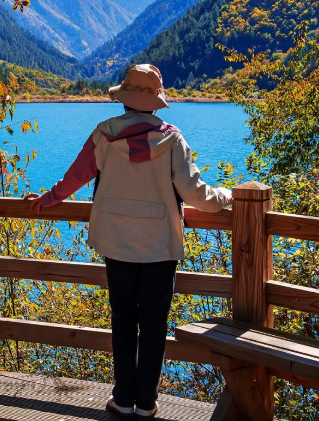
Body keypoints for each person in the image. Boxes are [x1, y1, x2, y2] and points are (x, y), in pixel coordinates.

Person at [25, 64, 232, 418]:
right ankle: (146, 403)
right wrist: (229, 196)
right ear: (156, 101)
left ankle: (122, 399)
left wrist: (48, 198)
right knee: (154, 325)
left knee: (122, 320)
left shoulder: (104, 134)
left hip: (116, 240)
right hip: (159, 245)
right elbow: (196, 194)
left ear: (124, 99)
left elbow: (75, 177)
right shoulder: (172, 139)